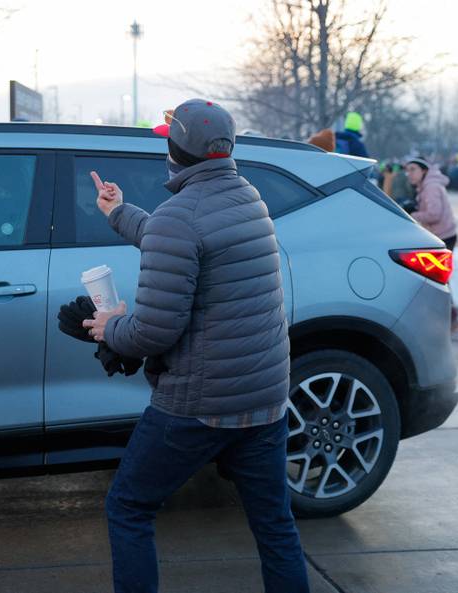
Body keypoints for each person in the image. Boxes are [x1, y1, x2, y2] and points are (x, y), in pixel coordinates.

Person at [82, 98, 310, 593]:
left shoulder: (180, 216)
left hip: (199, 405)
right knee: (275, 527)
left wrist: (109, 328)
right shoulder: (247, 197)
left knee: (129, 506)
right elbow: (176, 239)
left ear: (174, 149)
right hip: (264, 401)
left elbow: (153, 333)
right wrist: (119, 213)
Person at [404, 156, 458, 331]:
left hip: (443, 237)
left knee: (438, 279)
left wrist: (414, 213)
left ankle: (452, 321)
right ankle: (446, 319)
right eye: (408, 170)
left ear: (424, 170)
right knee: (435, 278)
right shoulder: (426, 185)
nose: (409, 174)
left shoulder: (431, 187)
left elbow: (434, 214)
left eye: (413, 169)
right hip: (441, 235)